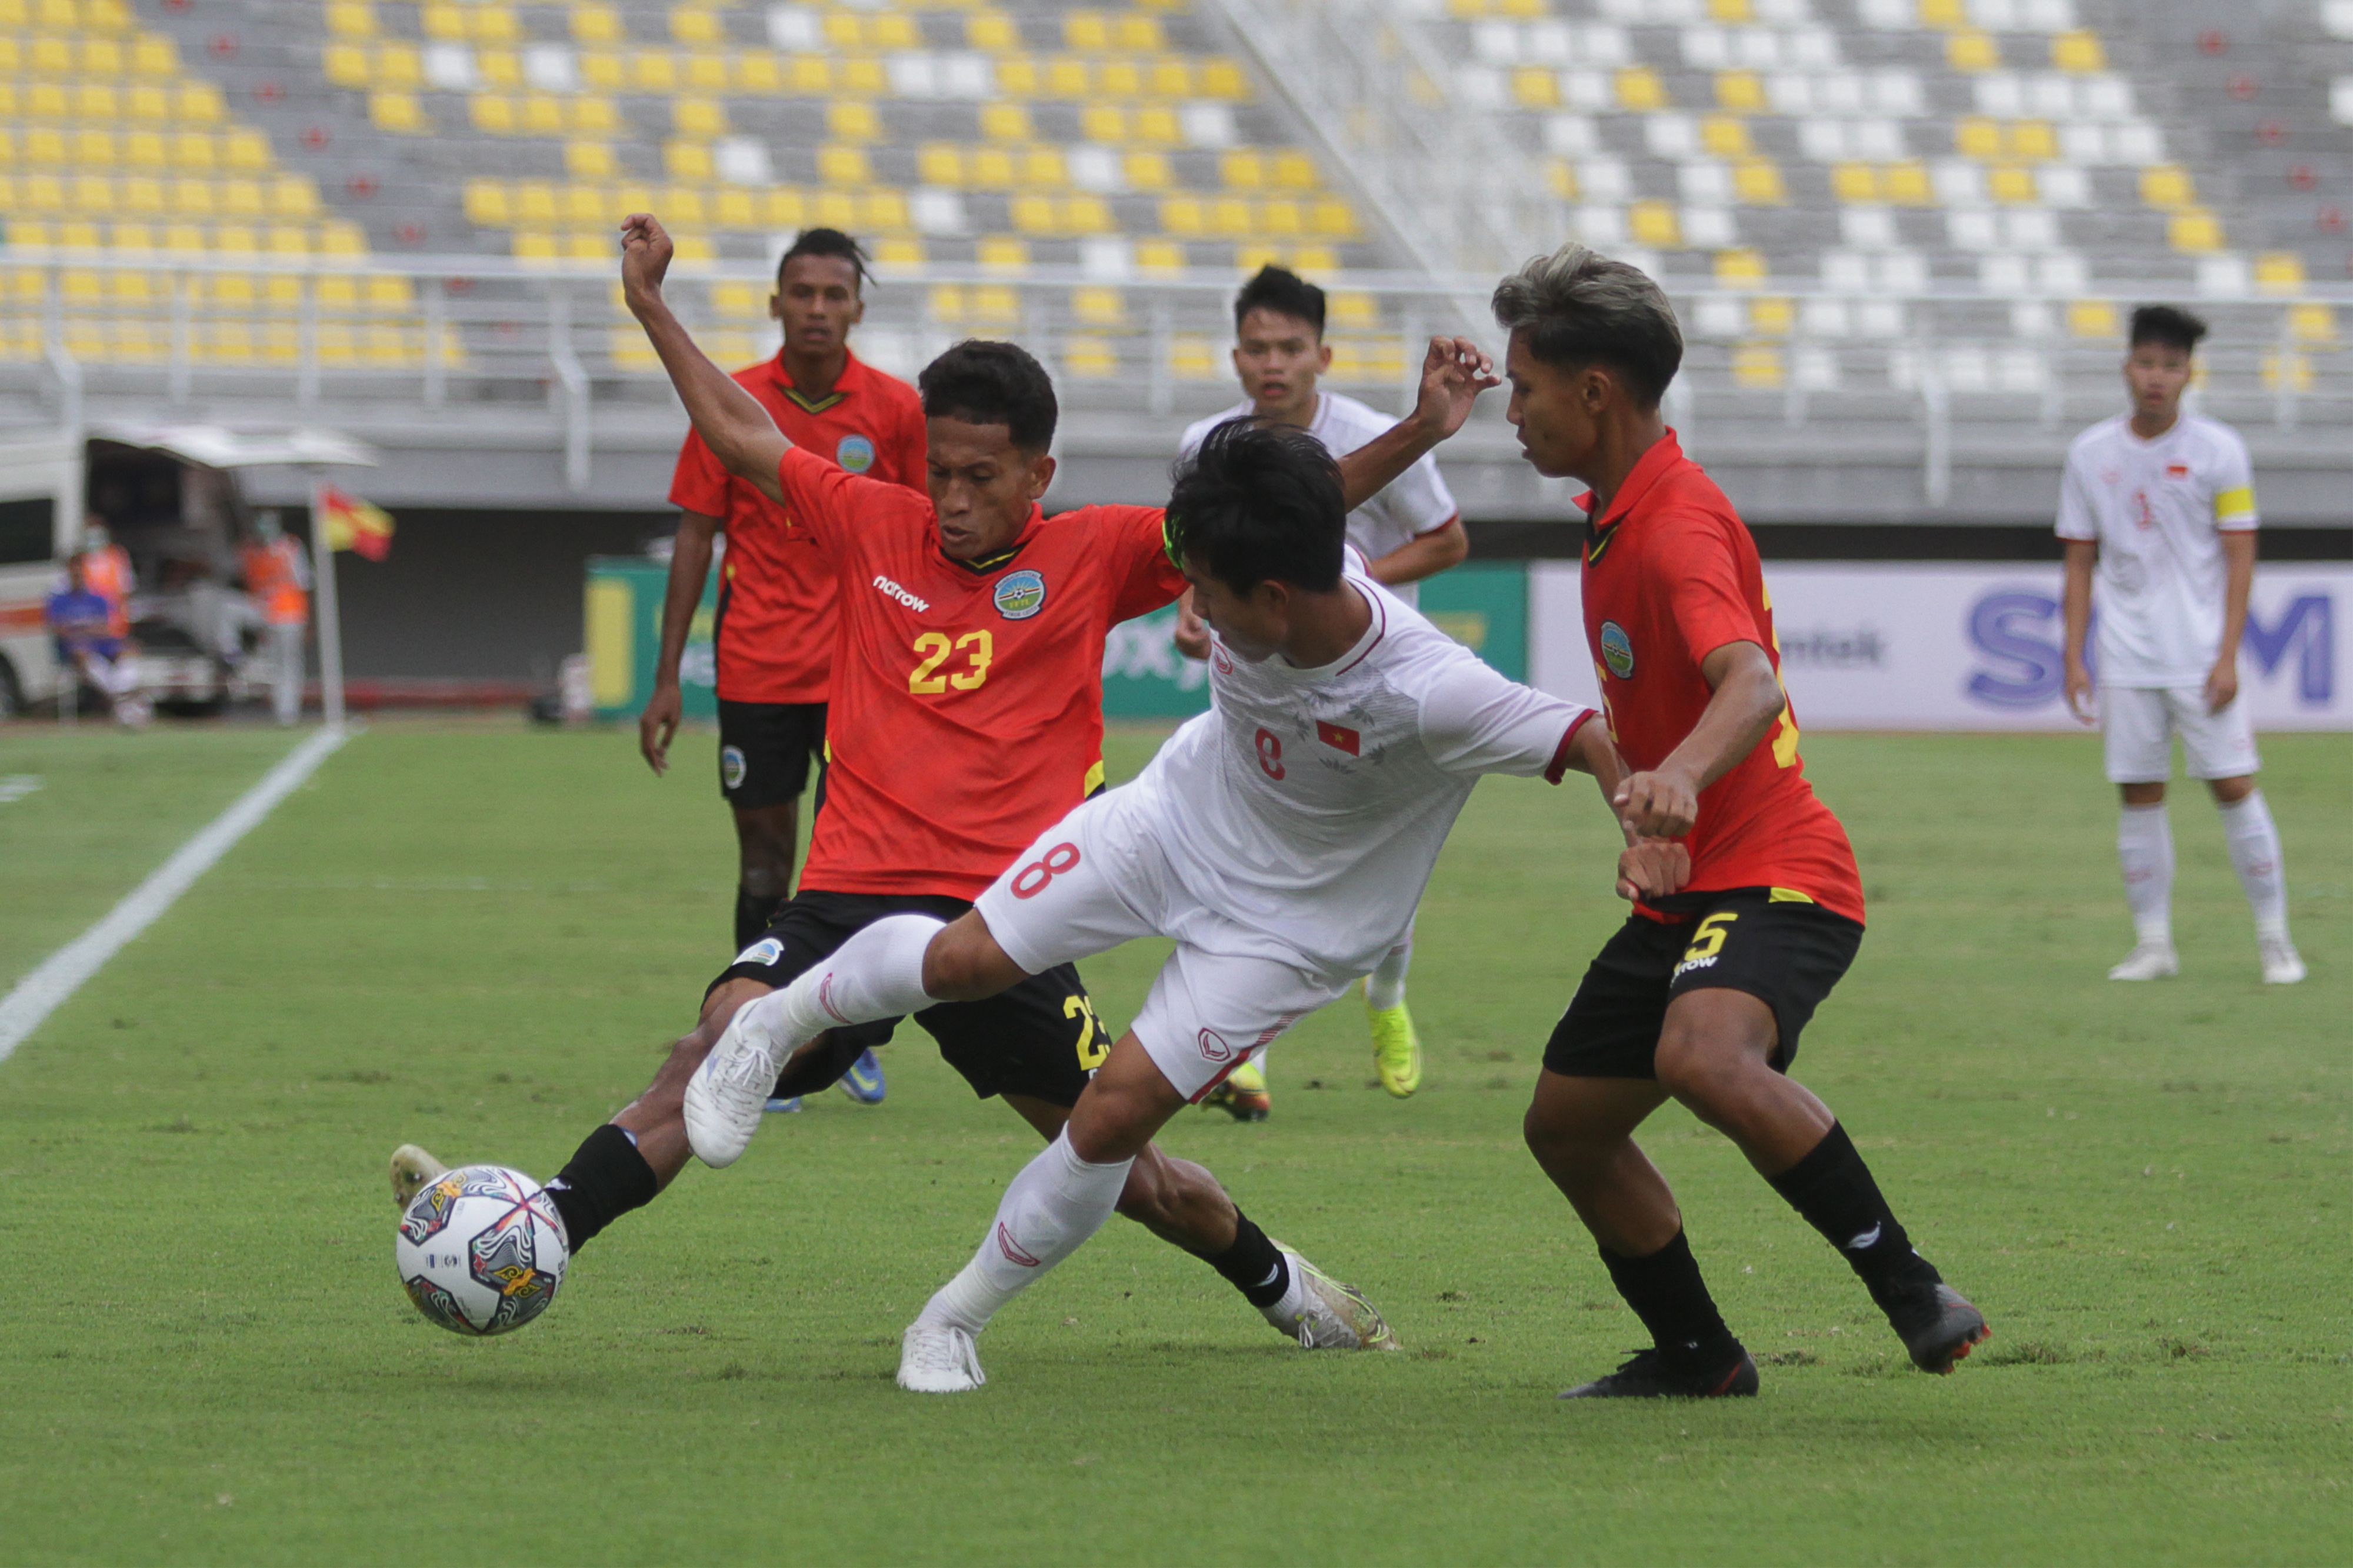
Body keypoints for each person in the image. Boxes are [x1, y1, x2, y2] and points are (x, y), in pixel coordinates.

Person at [388, 210, 1485, 1363]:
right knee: (715, 1040)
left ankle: (1285, 1288)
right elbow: (742, 434)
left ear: (1037, 474)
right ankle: (540, 1232)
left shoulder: (1097, 551)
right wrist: (650, 307)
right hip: (849, 897)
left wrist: (1420, 429)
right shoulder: (872, 521)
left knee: (1129, 1172)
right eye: (939, 472)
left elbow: (1277, 514)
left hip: (1007, 920)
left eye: (979, 478)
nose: (951, 499)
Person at [682, 406, 1646, 1396]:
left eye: (1210, 600)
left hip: (1288, 931)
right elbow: (1301, 499)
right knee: (964, 959)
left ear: (1275, 598)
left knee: (1111, 1118)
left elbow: (1586, 735)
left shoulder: (1431, 690)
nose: (1196, 618)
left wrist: (1646, 832)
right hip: (1171, 823)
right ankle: (776, 1025)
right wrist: (1419, 425)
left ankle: (948, 1323)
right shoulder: (1262, 557)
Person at [1494, 242, 1988, 1399]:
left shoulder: (1673, 522)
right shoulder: (1614, 515)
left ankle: (1913, 1289)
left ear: (1593, 392)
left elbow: (1751, 682)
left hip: (1781, 873)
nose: (1510, 412)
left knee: (1701, 1056)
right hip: (1692, 886)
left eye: (1523, 387)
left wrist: (1676, 777)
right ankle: (1699, 1358)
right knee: (1565, 1125)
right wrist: (1654, 823)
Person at [1171, 266, 1471, 1115]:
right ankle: (1247, 1054)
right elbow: (1193, 551)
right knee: (1260, 855)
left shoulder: (1376, 436)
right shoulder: (1206, 444)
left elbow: (1448, 540)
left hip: (1371, 684)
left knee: (1379, 868)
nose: (1273, 363)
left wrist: (1347, 580)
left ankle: (1387, 998)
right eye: (1257, 348)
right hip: (1261, 681)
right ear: (1235, 357)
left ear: (1323, 355)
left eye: (1290, 347)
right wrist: (1194, 606)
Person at [640, 228, 926, 1109]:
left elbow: (924, 536)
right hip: (757, 669)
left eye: (834, 294)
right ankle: (756, 1042)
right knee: (765, 867)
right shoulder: (730, 403)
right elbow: (697, 535)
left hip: (859, 679)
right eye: (802, 292)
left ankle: (845, 1037)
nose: (817, 309)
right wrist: (666, 676)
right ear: (775, 303)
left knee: (855, 871)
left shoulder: (895, 410)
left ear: (858, 309)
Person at [2058, 306, 2302, 986]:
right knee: (2138, 791)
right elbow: (2078, 561)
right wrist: (2074, 654)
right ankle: (2153, 945)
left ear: (2189, 373)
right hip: (2125, 655)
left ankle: (2275, 940)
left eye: (2170, 366)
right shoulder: (2089, 453)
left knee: (2233, 784)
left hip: (2198, 656)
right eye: (2146, 363)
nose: (2156, 378)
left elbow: (2240, 555)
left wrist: (2227, 654)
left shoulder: (2220, 450)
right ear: (2126, 367)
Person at [45, 553, 149, 726]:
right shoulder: (59, 600)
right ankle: (121, 697)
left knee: (129, 650)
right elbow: (59, 629)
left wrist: (82, 629)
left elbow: (105, 628)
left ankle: (121, 693)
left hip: (100, 644)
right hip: (74, 648)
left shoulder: (98, 599)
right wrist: (85, 631)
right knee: (82, 652)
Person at [238, 513, 310, 726]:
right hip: (265, 616)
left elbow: (304, 582)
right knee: (274, 664)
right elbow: (250, 585)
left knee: (288, 664)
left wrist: (307, 620)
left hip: (288, 615)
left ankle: (287, 711)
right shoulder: (251, 552)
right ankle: (281, 708)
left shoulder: (290, 549)